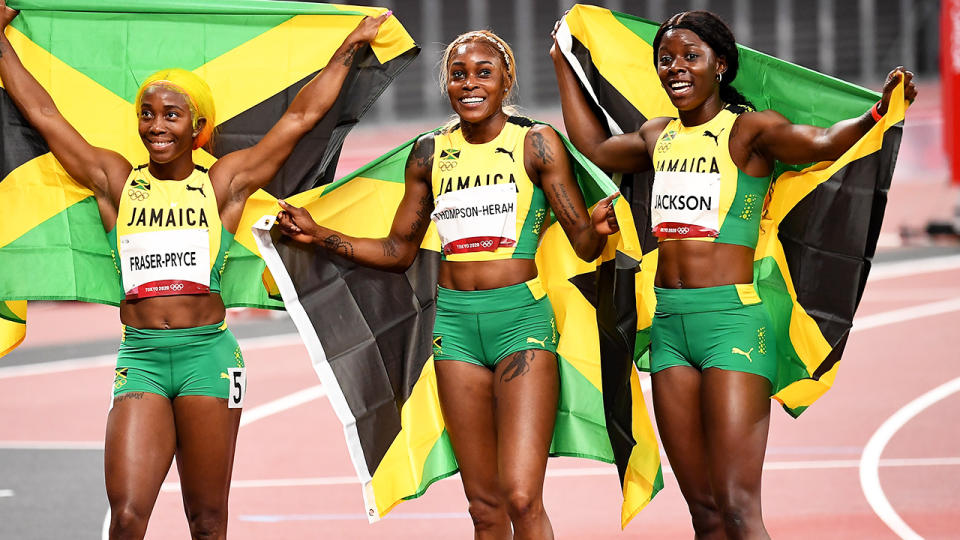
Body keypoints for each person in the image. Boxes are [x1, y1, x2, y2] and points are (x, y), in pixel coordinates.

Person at [0, 3, 389, 538]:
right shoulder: (114, 179)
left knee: (206, 521)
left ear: (198, 127)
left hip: (207, 356)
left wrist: (349, 50)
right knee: (128, 513)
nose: (156, 126)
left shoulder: (222, 184)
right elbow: (45, 117)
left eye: (171, 114)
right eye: (147, 113)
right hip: (141, 358)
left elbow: (298, 120)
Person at [550, 10, 916, 540]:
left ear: (720, 65)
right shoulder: (657, 137)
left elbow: (819, 142)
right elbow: (598, 151)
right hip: (670, 329)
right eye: (666, 59)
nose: (676, 68)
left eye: (690, 57)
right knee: (705, 513)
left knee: (739, 507)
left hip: (734, 325)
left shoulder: (749, 131)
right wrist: (564, 60)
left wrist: (875, 114)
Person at [276, 29, 618, 540]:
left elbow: (584, 245)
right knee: (484, 508)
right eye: (458, 74)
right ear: (447, 85)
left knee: (523, 498)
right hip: (455, 331)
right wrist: (320, 234)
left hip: (521, 323)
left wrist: (599, 229)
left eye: (484, 72)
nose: (470, 83)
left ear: (507, 81)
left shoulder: (536, 143)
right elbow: (397, 251)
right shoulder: (428, 153)